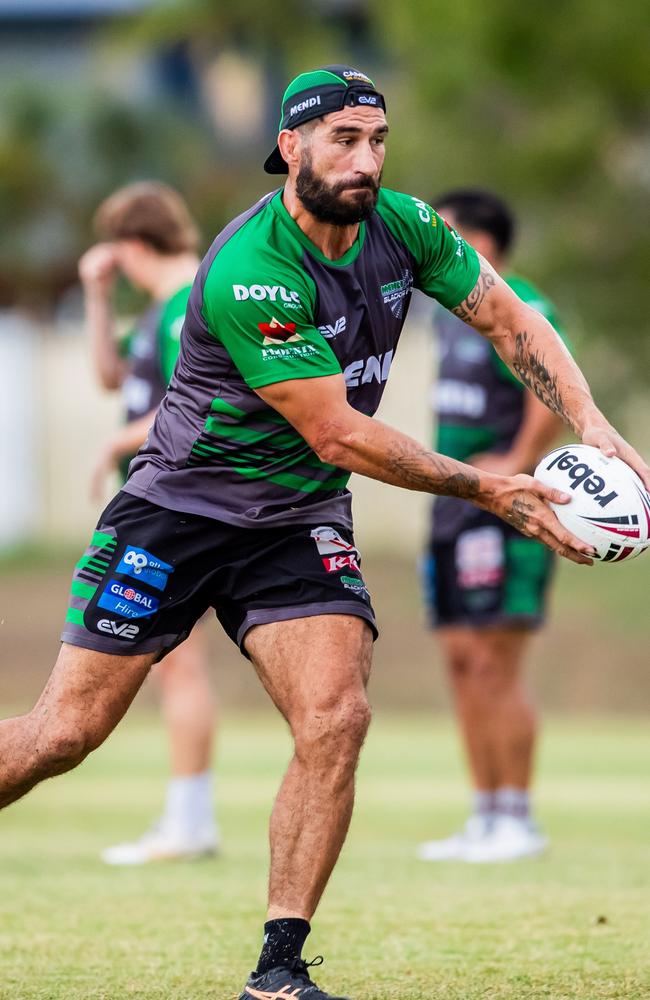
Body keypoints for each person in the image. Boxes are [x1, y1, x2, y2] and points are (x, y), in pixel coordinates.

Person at [0, 65, 647, 1000]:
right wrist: (491, 490)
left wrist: (593, 423)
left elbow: (513, 321)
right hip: (179, 513)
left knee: (336, 718)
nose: (366, 160)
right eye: (343, 139)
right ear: (290, 146)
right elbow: (338, 431)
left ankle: (277, 969)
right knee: (66, 732)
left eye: (378, 140)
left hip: (295, 520)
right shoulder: (252, 267)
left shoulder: (407, 229)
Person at [417, 190, 567, 865]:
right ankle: (482, 814)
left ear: (479, 241)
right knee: (459, 661)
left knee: (493, 663)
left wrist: (514, 462)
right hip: (455, 505)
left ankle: (518, 816)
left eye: (443, 234)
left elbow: (554, 396)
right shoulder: (450, 317)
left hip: (510, 507)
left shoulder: (524, 304)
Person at [78, 182, 219, 864]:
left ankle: (190, 819)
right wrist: (98, 295)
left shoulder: (188, 305)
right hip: (155, 505)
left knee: (179, 662)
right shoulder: (157, 310)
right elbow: (111, 377)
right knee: (170, 663)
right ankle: (186, 815)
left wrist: (113, 444)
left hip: (179, 508)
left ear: (133, 244)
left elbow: (192, 409)